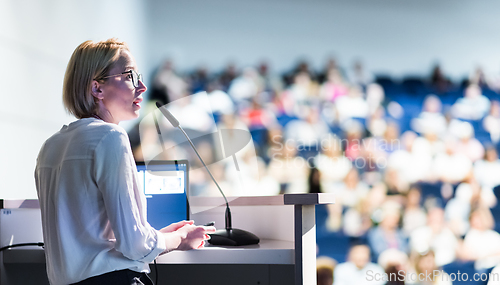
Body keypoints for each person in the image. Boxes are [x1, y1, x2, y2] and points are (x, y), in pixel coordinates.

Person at [34, 39, 215, 285]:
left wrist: (158, 236)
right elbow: (134, 246)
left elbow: (90, 239)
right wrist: (180, 239)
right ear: (97, 89)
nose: (142, 86)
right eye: (130, 76)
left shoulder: (50, 146)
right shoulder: (111, 137)